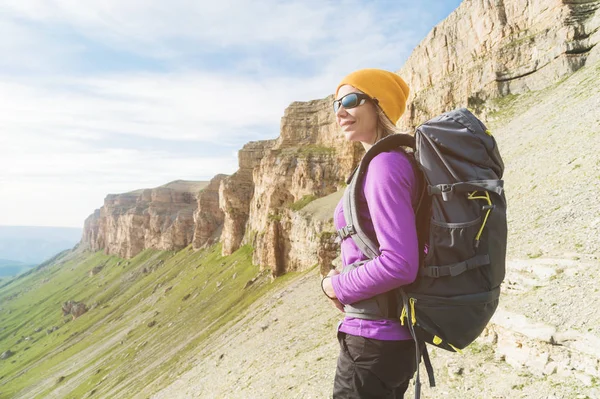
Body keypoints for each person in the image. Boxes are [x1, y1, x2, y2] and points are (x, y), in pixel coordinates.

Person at [321, 68, 420, 398]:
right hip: (382, 342)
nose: (340, 111)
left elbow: (399, 263)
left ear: (379, 105)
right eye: (336, 103)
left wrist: (334, 285)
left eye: (350, 100)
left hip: (372, 342)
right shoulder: (386, 162)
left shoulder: (384, 165)